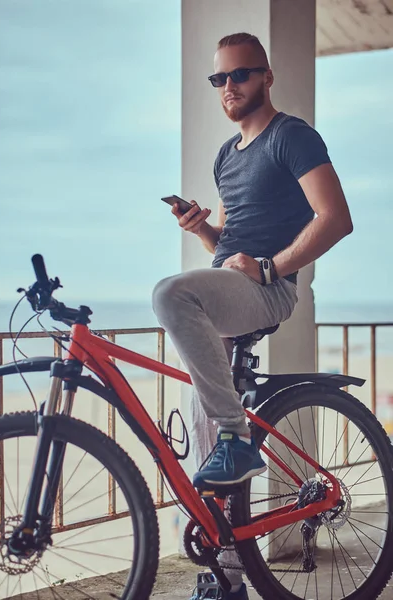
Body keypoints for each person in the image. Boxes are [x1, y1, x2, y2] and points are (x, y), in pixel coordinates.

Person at [152, 32, 353, 600]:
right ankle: (228, 579)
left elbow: (335, 218)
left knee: (169, 295)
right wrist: (203, 229)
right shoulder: (225, 156)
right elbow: (229, 242)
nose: (229, 86)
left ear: (266, 76)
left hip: (268, 290)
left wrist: (271, 268)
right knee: (202, 443)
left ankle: (239, 438)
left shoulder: (292, 136)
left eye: (240, 75)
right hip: (232, 287)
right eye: (219, 78)